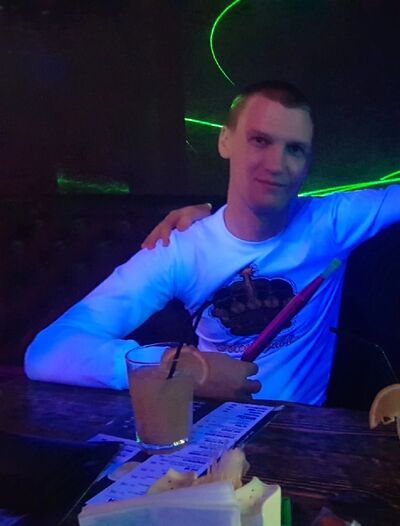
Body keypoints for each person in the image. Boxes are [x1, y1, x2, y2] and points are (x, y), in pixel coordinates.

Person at [25, 81, 400, 405]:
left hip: (305, 437)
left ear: (308, 163)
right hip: (212, 433)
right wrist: (188, 371)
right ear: (225, 140)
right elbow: (47, 352)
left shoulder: (332, 222)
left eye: (295, 149)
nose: (276, 164)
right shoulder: (183, 248)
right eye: (260, 140)